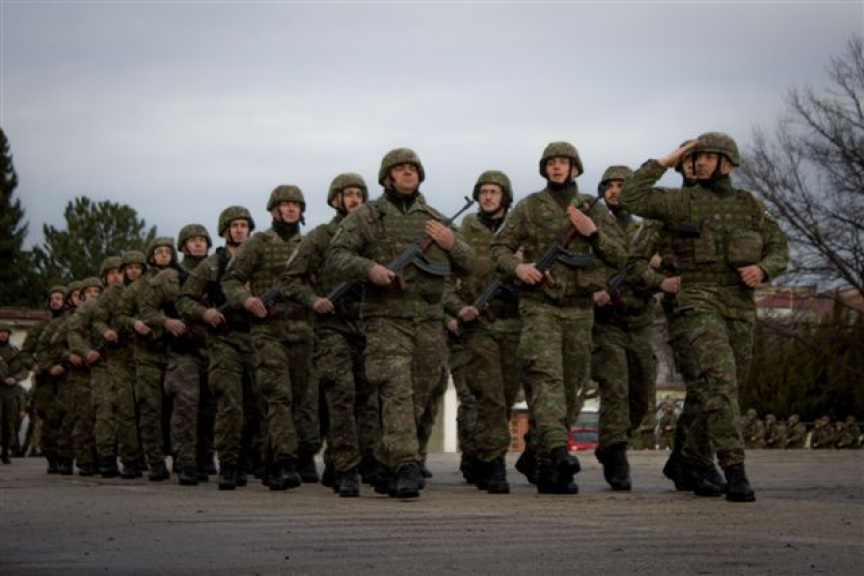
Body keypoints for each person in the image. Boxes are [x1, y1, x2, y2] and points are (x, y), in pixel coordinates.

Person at [619, 133, 789, 502]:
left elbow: (779, 246)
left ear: (727, 162)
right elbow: (630, 197)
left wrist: (763, 269)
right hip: (695, 301)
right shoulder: (680, 202)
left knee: (719, 387)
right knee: (718, 381)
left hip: (739, 305)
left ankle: (689, 457)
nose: (698, 162)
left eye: (707, 157)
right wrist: (666, 160)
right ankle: (733, 468)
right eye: (694, 157)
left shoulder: (748, 205)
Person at [328, 148, 476, 498]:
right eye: (400, 169)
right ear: (387, 177)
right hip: (385, 319)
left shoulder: (435, 219)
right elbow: (337, 255)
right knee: (396, 390)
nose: (408, 172)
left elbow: (470, 263)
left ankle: (385, 460)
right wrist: (370, 269)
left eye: (413, 168)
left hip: (428, 321)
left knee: (421, 393)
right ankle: (406, 465)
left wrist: (451, 244)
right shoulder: (368, 216)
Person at [491, 141, 627, 494]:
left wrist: (592, 232)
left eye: (563, 162)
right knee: (546, 379)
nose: (556, 167)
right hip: (540, 306)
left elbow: (622, 256)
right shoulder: (529, 207)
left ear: (574, 168)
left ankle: (542, 458)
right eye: (551, 162)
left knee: (571, 389)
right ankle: (556, 451)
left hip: (580, 309)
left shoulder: (592, 208)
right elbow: (498, 248)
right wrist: (518, 267)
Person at [281, 173, 379, 498]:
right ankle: (348, 470)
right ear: (335, 199)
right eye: (348, 194)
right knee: (341, 395)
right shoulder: (321, 237)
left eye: (359, 194)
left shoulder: (374, 237)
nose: (354, 200)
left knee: (367, 399)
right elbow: (290, 279)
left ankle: (345, 462)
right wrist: (314, 300)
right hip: (331, 327)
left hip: (367, 326)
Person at [222, 185, 316, 491]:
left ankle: (271, 459)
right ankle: (285, 461)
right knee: (278, 395)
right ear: (274, 209)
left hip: (302, 330)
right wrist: (246, 300)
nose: (290, 209)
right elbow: (231, 280)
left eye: (295, 205)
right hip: (268, 330)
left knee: (298, 400)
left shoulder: (310, 245)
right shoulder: (258, 243)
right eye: (285, 204)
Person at [443, 170, 521, 494]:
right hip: (478, 324)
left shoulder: (519, 229)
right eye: (483, 191)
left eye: (494, 191)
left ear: (505, 196)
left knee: (506, 395)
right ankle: (493, 463)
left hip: (514, 324)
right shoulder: (465, 230)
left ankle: (480, 454)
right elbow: (447, 279)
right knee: (488, 396)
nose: (488, 197)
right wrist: (456, 309)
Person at [177, 206, 259, 490]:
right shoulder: (211, 265)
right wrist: (205, 313)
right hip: (224, 340)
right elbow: (184, 300)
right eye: (234, 226)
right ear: (225, 231)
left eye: (244, 225)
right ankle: (229, 464)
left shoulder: (258, 259)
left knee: (254, 406)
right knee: (230, 404)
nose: (240, 230)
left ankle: (246, 461)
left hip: (257, 339)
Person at [590, 165, 658, 490]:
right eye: (610, 186)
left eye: (622, 185)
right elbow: (580, 265)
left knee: (642, 391)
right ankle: (615, 452)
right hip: (607, 322)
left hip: (640, 319)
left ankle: (614, 441)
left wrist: (657, 267)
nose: (615, 191)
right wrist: (595, 289)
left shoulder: (646, 230)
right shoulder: (592, 226)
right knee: (615, 386)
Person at [140, 224, 213, 485]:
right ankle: (186, 462)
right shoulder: (169, 277)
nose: (198, 244)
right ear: (183, 246)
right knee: (186, 408)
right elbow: (147, 310)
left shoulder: (218, 271)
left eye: (202, 240)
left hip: (213, 351)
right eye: (193, 240)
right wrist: (167, 322)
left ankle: (205, 459)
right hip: (183, 352)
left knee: (209, 409)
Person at [117, 237, 179, 481]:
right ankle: (155, 461)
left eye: (167, 252)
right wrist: (135, 323)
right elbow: (120, 315)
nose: (163, 255)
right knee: (150, 409)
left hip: (175, 353)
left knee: (177, 410)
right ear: (151, 257)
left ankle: (182, 458)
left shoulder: (181, 280)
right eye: (159, 252)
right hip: (147, 355)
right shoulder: (138, 287)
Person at [0, 323, 28, 463]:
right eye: (1, 332)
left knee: (9, 421)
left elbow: (24, 370)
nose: (3, 334)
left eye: (6, 332)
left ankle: (6, 450)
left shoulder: (15, 352)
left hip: (10, 391)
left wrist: (15, 379)